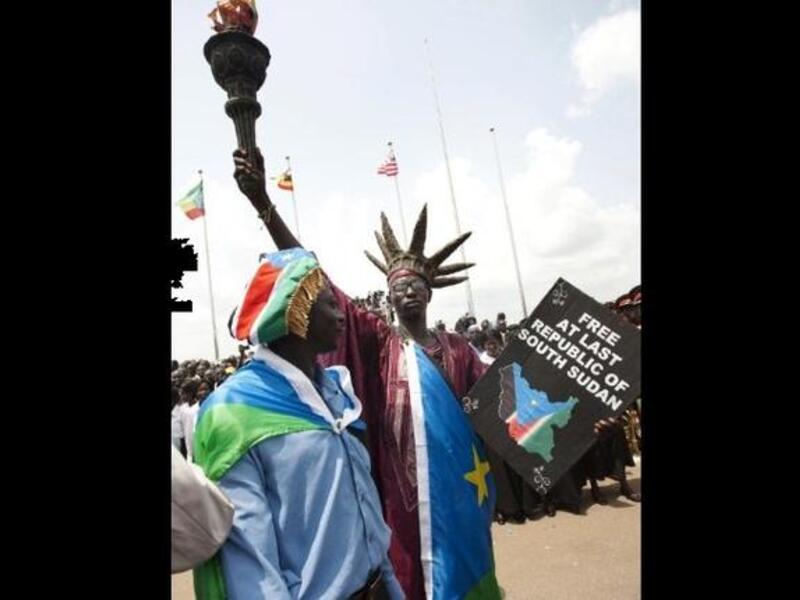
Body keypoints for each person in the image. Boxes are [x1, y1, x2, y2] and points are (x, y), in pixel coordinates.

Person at [233, 147, 500, 599]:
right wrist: (265, 205)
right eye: (399, 287)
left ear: (430, 294)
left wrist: (580, 425)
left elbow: (510, 408)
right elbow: (314, 278)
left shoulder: (460, 351)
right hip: (400, 501)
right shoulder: (380, 343)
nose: (408, 291)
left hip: (461, 496)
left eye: (416, 285)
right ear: (389, 298)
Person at [192, 249, 403, 600]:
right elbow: (253, 568)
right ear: (296, 310)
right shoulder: (233, 411)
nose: (340, 316)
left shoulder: (336, 390)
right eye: (329, 304)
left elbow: (367, 519)